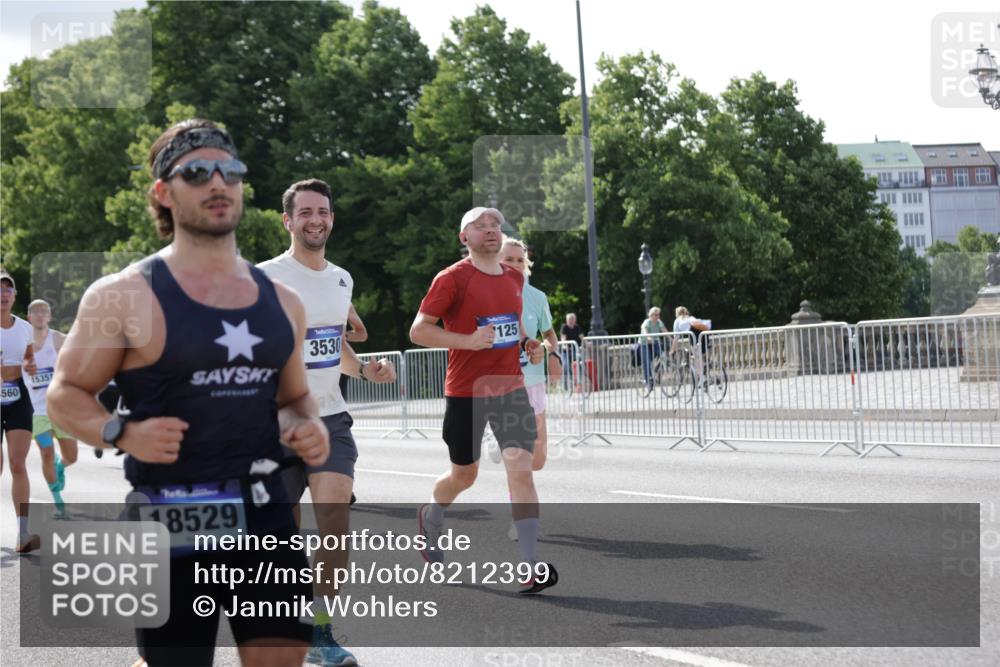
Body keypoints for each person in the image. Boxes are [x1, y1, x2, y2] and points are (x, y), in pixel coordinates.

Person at [48, 119, 329, 667]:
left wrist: (307, 425)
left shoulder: (283, 301)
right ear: (163, 192)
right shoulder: (123, 295)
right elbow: (64, 396)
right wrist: (120, 431)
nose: (217, 183)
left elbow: (294, 397)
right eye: (197, 172)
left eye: (230, 171)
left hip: (265, 512)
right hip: (171, 518)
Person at [258, 178, 395, 667]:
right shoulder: (264, 278)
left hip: (330, 419)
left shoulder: (341, 279)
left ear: (331, 219)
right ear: (288, 220)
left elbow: (331, 343)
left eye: (324, 211)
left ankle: (320, 631)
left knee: (335, 523)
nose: (316, 219)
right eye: (306, 212)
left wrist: (364, 369)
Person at [409, 206, 558, 595]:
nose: (491, 230)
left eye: (495, 224)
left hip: (510, 388)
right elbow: (419, 331)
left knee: (521, 470)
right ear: (465, 238)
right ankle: (432, 514)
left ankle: (529, 565)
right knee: (465, 475)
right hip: (466, 392)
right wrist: (468, 341)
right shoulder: (452, 279)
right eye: (480, 226)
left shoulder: (512, 277)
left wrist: (531, 345)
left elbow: (520, 327)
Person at [491, 237, 561, 474]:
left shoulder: (537, 297)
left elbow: (549, 335)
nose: (514, 263)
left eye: (520, 260)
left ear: (526, 264)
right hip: (504, 387)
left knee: (538, 461)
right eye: (508, 258)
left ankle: (498, 443)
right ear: (497, 260)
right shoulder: (486, 295)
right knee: (519, 460)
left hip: (534, 384)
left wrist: (551, 354)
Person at [24, 299, 78, 518]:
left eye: (44, 311)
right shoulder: (22, 343)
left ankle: (61, 466)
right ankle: (58, 502)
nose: (39, 315)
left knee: (71, 456)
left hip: (62, 409)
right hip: (37, 412)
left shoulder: (59, 339)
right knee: (46, 452)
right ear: (29, 317)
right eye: (35, 311)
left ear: (49, 317)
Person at [1, 270, 39, 553]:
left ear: (14, 296)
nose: (3, 294)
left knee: (18, 463)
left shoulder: (25, 328)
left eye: (7, 290)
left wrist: (31, 368)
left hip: (18, 397)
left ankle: (23, 533)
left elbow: (29, 359)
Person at [672, 306, 711, 373]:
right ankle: (706, 368)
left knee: (697, 357)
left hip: (693, 334)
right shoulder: (690, 317)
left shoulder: (677, 321)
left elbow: (676, 337)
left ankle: (702, 378)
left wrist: (672, 350)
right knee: (701, 355)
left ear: (677, 313)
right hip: (703, 333)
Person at [639, 307, 668, 389]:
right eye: (655, 315)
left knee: (663, 357)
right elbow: (644, 329)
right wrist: (648, 337)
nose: (657, 317)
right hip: (644, 343)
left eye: (658, 315)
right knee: (647, 362)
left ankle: (657, 370)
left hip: (654, 343)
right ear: (651, 315)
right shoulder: (647, 322)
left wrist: (671, 338)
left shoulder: (659, 322)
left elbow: (664, 331)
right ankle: (648, 382)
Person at [559, 313, 582, 390]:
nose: (571, 321)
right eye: (570, 319)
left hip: (575, 350)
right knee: (566, 366)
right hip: (565, 352)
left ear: (575, 320)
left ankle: (578, 382)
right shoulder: (564, 327)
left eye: (572, 319)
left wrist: (586, 343)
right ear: (567, 320)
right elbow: (563, 338)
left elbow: (581, 337)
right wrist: (564, 345)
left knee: (580, 364)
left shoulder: (577, 327)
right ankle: (565, 383)